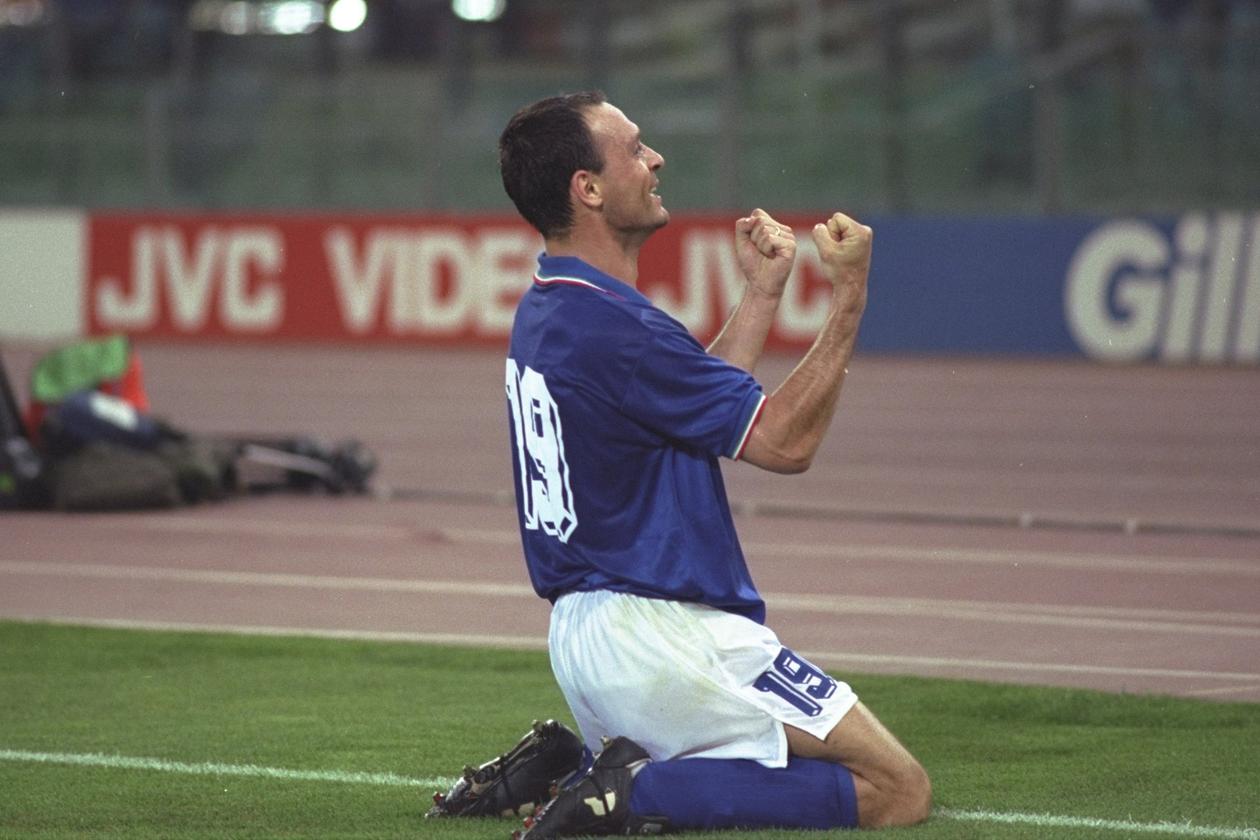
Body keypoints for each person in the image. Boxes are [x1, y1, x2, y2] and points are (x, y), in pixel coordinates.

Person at [461, 90, 930, 835]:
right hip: (664, 632)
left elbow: (684, 409)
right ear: (588, 188)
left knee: (782, 773)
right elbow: (783, 443)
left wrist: (762, 294)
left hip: (590, 640)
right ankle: (625, 790)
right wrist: (849, 297)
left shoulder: (552, 304)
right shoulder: (620, 327)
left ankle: (574, 761)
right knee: (895, 789)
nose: (655, 160)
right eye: (635, 149)